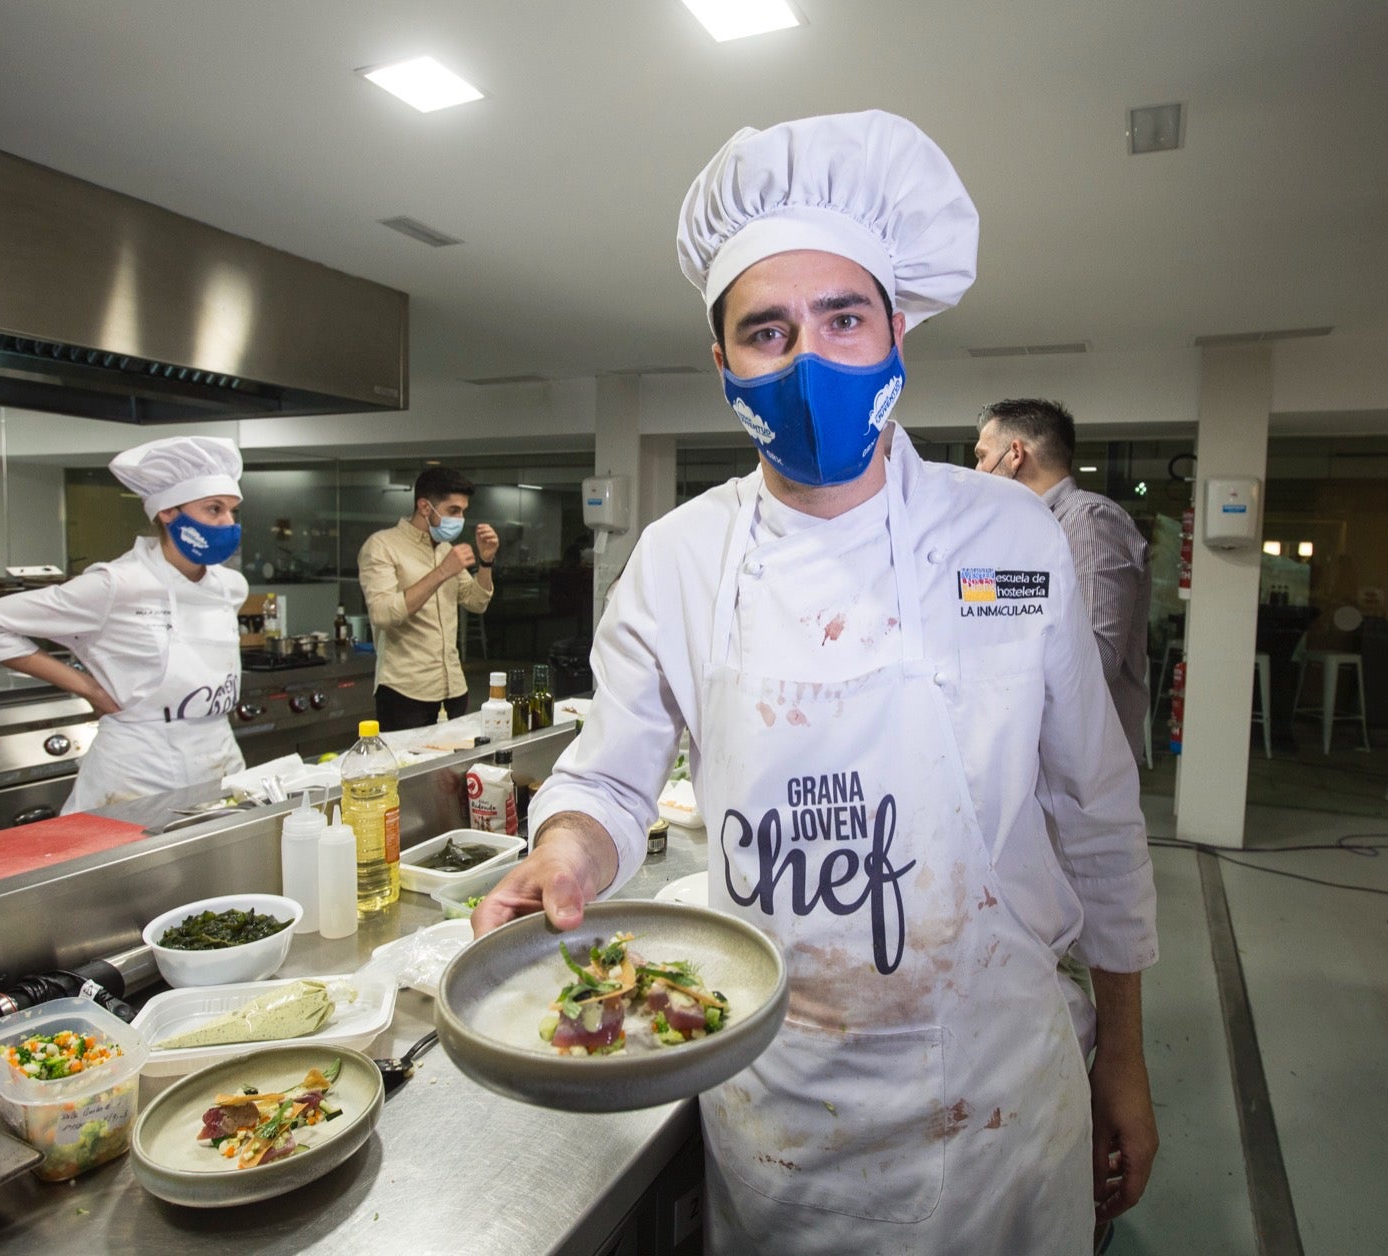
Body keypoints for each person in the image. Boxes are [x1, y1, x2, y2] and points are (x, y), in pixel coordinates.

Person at [473, 111, 1158, 1254]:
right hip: (781, 1094)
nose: (808, 361)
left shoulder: (1007, 538)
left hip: (998, 1078)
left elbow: (1094, 809)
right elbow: (611, 770)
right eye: (766, 330)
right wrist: (566, 850)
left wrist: (1124, 1056)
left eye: (843, 318)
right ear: (722, 361)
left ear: (898, 328)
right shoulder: (680, 557)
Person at [0, 435, 247, 813]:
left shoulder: (231, 587)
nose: (228, 522)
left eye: (232, 511)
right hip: (138, 763)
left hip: (218, 751)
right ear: (168, 513)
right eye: (214, 509)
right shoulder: (116, 584)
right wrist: (87, 687)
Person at [974, 399, 1152, 763]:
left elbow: (1097, 659)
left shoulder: (1087, 520)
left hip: (1084, 774)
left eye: (981, 456)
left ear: (1016, 454)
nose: (976, 470)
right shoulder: (1029, 530)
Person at [358, 467, 498, 731]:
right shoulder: (381, 546)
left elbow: (476, 602)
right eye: (453, 510)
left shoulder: (444, 549)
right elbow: (383, 614)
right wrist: (443, 571)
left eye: (464, 511)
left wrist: (486, 561)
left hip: (453, 688)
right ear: (425, 507)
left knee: (454, 771)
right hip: (405, 692)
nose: (460, 518)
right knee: (410, 771)